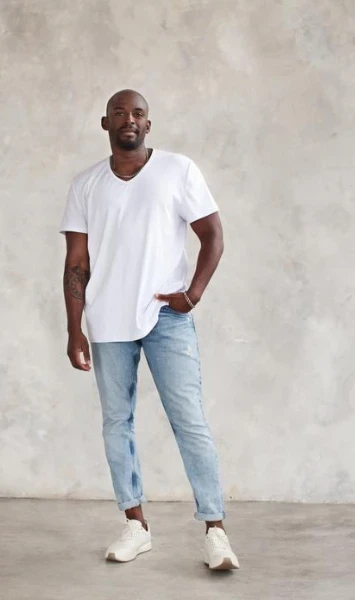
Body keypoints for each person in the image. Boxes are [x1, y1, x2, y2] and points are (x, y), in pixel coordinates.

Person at [60, 89, 239, 570]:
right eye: (120, 113)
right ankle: (135, 524)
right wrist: (74, 328)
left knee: (190, 420)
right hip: (106, 320)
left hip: (166, 317)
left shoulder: (177, 170)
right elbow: (77, 262)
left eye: (138, 113)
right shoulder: (86, 184)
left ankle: (215, 530)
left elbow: (213, 234)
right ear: (105, 124)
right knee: (117, 423)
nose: (129, 120)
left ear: (148, 123)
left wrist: (193, 293)